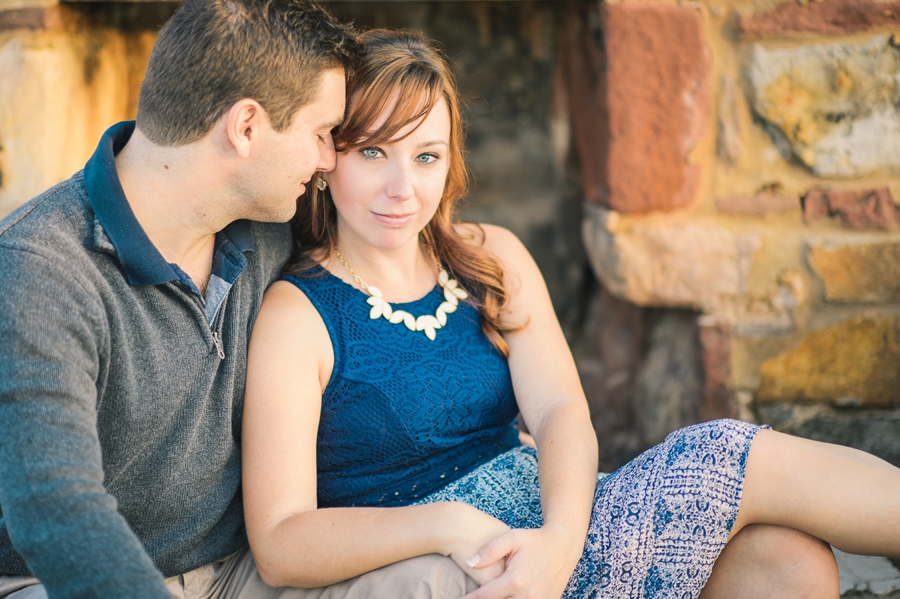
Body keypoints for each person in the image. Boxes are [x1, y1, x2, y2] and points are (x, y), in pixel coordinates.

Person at [242, 28, 900, 599]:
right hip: (463, 566)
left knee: (791, 564)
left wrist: (560, 537)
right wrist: (444, 522)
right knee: (720, 450)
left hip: (556, 526)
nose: (401, 188)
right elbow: (280, 538)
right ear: (328, 158)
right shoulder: (299, 314)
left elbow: (561, 412)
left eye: (426, 157)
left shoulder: (492, 257)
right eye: (373, 152)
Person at [0, 3, 485, 598]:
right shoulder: (40, 271)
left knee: (454, 582)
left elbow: (392, 244)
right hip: (59, 582)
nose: (329, 159)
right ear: (246, 127)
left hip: (241, 571)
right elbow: (57, 512)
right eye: (320, 133)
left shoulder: (267, 224)